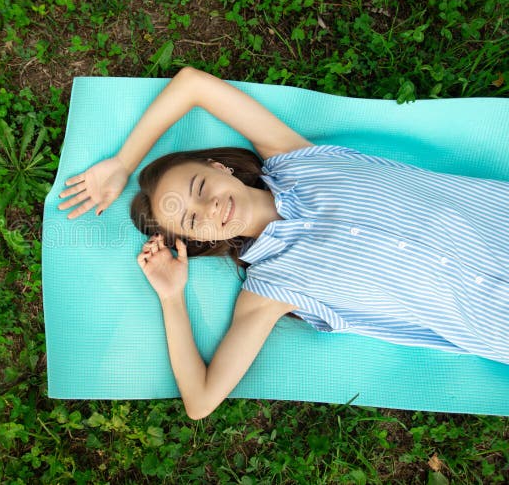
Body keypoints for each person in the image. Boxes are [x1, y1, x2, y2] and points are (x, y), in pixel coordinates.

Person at [57, 66, 509, 420]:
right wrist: (172, 297)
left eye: (199, 187)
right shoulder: (269, 291)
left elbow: (193, 85)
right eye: (193, 220)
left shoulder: (294, 158)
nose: (210, 207)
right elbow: (200, 400)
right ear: (198, 241)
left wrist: (123, 162)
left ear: (219, 166)